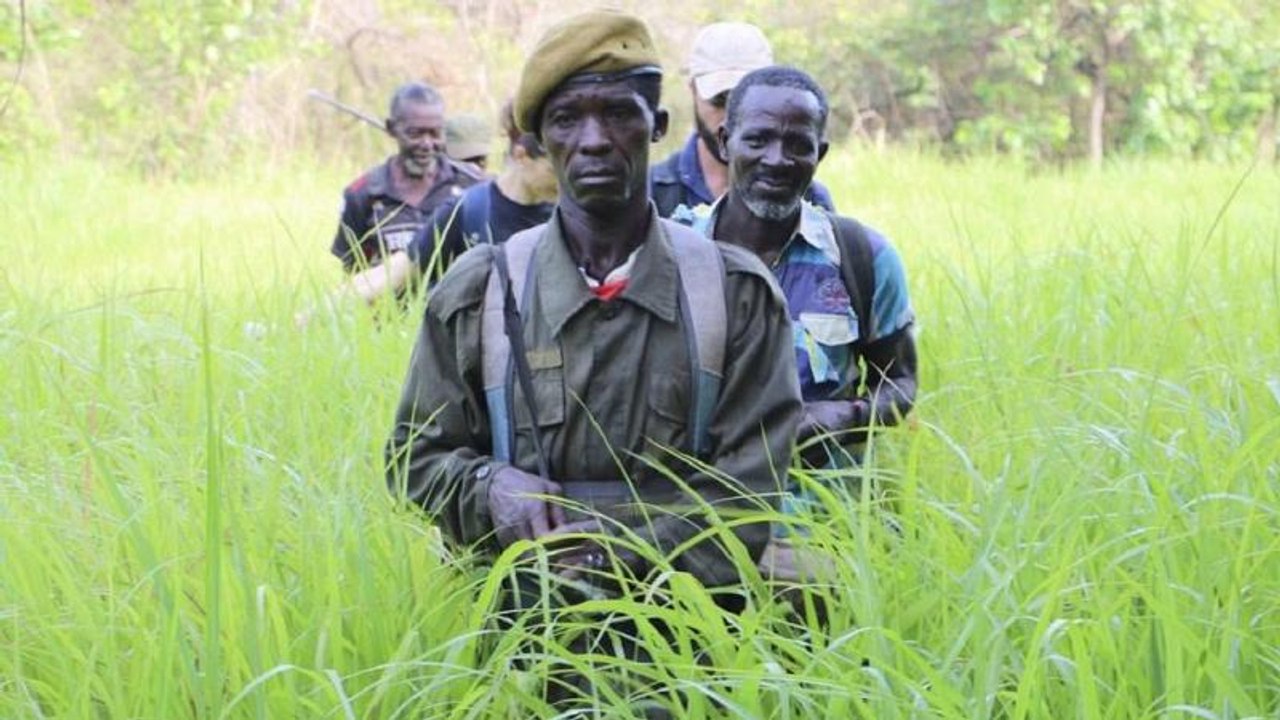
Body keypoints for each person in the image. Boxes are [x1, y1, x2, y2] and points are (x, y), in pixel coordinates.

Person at [385, 9, 802, 706]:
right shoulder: (480, 293)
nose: (595, 141)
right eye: (568, 119)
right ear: (536, 140)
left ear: (658, 126)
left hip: (690, 658)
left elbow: (747, 494)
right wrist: (492, 489)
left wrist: (616, 561)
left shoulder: (732, 296)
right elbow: (412, 459)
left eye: (619, 115)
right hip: (518, 657)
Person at [695, 65, 918, 577]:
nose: (777, 160)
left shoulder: (862, 256)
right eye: (759, 140)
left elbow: (902, 383)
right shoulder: (675, 256)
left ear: (820, 154)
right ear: (726, 141)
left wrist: (841, 418)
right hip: (696, 532)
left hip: (825, 534)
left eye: (798, 144)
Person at [297, 102, 557, 324]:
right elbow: (389, 275)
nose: (567, 181)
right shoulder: (468, 210)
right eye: (554, 170)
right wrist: (311, 315)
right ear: (522, 157)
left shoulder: (572, 215)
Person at [650, 22, 835, 219]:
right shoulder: (651, 194)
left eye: (748, 106)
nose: (731, 117)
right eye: (720, 100)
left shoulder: (810, 200)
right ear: (693, 90)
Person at [329, 81, 484, 273]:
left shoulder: (471, 187)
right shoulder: (361, 194)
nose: (427, 144)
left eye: (435, 134)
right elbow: (353, 274)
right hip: (386, 301)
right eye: (415, 134)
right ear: (391, 129)